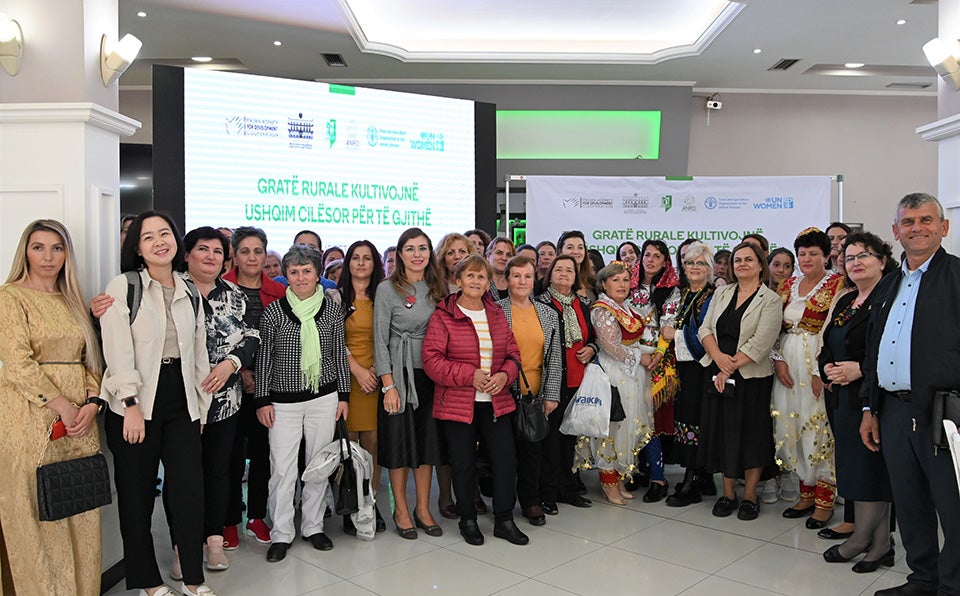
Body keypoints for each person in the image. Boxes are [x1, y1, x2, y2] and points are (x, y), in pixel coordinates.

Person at [99, 211, 214, 596]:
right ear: (138, 248)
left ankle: (194, 581)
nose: (159, 241)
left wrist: (200, 406)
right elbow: (117, 350)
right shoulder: (124, 286)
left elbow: (199, 354)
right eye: (148, 237)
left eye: (164, 233)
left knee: (188, 492)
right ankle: (148, 581)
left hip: (180, 398)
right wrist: (130, 403)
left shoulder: (188, 288)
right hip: (134, 402)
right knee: (136, 495)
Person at [861, 193, 960, 596]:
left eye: (926, 219)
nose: (917, 227)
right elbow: (873, 349)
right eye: (908, 221)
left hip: (943, 413)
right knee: (910, 501)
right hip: (893, 410)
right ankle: (923, 579)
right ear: (895, 231)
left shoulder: (956, 277)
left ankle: (953, 586)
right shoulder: (888, 283)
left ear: (943, 226)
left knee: (952, 508)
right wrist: (869, 406)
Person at [0, 219, 104, 595]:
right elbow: (17, 360)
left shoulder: (72, 300)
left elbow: (91, 361)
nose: (48, 256)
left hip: (79, 418)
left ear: (66, 254)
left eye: (57, 248)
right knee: (37, 510)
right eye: (38, 247)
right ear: (25, 252)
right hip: (28, 416)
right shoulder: (10, 296)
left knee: (78, 505)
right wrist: (61, 404)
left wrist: (92, 403)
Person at [422, 255, 529, 546]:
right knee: (463, 463)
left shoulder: (494, 313)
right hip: (459, 403)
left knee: (505, 461)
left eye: (481, 277)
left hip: (497, 400)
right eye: (469, 276)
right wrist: (469, 375)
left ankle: (504, 519)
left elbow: (513, 355)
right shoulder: (443, 315)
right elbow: (432, 361)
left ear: (488, 283)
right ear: (458, 280)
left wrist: (505, 377)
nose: (475, 281)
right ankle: (468, 518)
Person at [171, 227, 259, 572]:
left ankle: (213, 540)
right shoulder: (170, 290)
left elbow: (251, 335)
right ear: (188, 254)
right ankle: (182, 545)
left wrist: (231, 363)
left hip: (225, 400)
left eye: (218, 251)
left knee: (219, 472)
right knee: (182, 473)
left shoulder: (236, 294)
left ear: (226, 258)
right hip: (179, 400)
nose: (210, 256)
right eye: (202, 249)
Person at [255, 244, 350, 562]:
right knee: (282, 470)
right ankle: (281, 533)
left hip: (324, 398)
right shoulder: (274, 312)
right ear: (286, 275)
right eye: (293, 272)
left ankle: (312, 526)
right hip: (282, 404)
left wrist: (344, 396)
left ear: (317, 274)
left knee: (318, 466)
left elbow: (339, 355)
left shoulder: (333, 310)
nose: (300, 277)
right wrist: (263, 400)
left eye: (306, 271)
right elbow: (265, 359)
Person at [819, 232, 897, 573]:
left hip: (874, 396)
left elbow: (894, 350)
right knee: (855, 466)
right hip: (841, 396)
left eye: (864, 255)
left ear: (882, 260)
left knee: (871, 470)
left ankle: (862, 538)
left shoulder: (891, 297)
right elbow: (827, 344)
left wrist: (860, 370)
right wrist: (826, 368)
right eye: (849, 258)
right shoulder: (846, 299)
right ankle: (881, 545)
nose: (856, 262)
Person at [697, 241, 782, 521]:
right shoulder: (721, 292)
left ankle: (749, 496)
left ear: (760, 265)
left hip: (750, 378)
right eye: (737, 260)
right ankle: (728, 493)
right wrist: (719, 358)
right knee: (723, 434)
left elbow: (761, 343)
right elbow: (705, 328)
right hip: (719, 371)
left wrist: (727, 367)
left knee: (752, 436)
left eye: (748, 259)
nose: (742, 264)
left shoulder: (770, 299)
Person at [374, 227, 448, 539]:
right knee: (399, 444)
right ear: (400, 254)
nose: (417, 254)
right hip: (399, 377)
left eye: (422, 248)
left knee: (427, 444)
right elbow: (379, 338)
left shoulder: (438, 287)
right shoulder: (387, 289)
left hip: (431, 375)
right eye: (410, 249)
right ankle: (401, 508)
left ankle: (422, 507)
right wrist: (388, 385)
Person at [773, 228, 845, 529]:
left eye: (813, 253)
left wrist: (819, 371)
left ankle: (825, 499)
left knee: (819, 427)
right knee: (791, 424)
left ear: (826, 255)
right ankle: (805, 491)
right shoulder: (788, 285)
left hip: (816, 362)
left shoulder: (838, 284)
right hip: (787, 363)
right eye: (802, 254)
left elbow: (832, 329)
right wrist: (778, 360)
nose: (807, 259)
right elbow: (775, 325)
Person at [222, 226, 286, 547]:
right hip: (228, 386)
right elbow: (215, 338)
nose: (252, 257)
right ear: (234, 254)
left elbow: (283, 341)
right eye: (245, 251)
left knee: (264, 454)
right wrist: (243, 371)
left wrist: (261, 376)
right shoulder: (221, 288)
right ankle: (230, 519)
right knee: (230, 455)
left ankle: (257, 517)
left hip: (268, 386)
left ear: (265, 253)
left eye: (258, 251)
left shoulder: (278, 291)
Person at [575, 261, 657, 505]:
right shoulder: (602, 309)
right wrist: (640, 357)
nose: (622, 285)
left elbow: (631, 340)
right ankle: (608, 482)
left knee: (627, 427)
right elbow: (611, 347)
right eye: (615, 280)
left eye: (625, 280)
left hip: (631, 373)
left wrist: (650, 353)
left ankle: (618, 478)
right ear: (603, 284)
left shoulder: (625, 306)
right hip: (614, 373)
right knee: (611, 428)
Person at [496, 255, 562, 526]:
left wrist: (552, 394)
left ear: (535, 279)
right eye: (516, 276)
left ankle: (531, 502)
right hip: (502, 393)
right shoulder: (495, 311)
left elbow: (554, 357)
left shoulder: (547, 313)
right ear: (507, 279)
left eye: (527, 276)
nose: (522, 281)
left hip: (534, 395)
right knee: (503, 455)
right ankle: (502, 505)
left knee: (532, 454)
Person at [333, 240, 387, 533]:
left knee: (373, 445)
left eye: (367, 258)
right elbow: (330, 339)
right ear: (348, 263)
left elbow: (389, 335)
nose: (361, 263)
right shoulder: (334, 297)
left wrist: (376, 371)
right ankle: (349, 505)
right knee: (348, 445)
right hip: (347, 377)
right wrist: (358, 370)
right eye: (356, 258)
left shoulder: (384, 296)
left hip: (377, 378)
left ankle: (371, 502)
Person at [534, 254, 596, 511]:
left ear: (576, 275)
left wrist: (592, 347)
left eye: (569, 270)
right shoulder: (540, 303)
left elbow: (594, 337)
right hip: (551, 382)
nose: (563, 273)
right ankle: (547, 494)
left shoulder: (582, 303)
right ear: (549, 274)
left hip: (578, 382)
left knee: (571, 438)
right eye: (558, 269)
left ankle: (568, 488)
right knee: (550, 441)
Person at [624, 239, 680, 502]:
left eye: (657, 256)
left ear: (665, 261)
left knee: (651, 418)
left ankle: (658, 477)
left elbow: (669, 325)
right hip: (629, 357)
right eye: (647, 254)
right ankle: (635, 470)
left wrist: (658, 354)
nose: (651, 260)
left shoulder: (671, 290)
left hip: (657, 360)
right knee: (630, 415)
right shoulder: (626, 284)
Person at [665, 242, 718, 507]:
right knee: (688, 419)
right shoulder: (687, 294)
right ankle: (700, 476)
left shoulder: (713, 296)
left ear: (710, 267)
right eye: (689, 263)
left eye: (700, 263)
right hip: (686, 368)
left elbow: (706, 335)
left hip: (703, 366)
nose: (694, 268)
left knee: (696, 419)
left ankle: (692, 480)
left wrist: (673, 336)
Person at [433, 232, 478, 518]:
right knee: (444, 440)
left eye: (463, 251)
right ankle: (446, 496)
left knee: (470, 438)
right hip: (441, 369)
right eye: (451, 252)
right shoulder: (434, 288)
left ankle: (470, 492)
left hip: (472, 373)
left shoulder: (478, 285)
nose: (457, 256)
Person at [558, 230, 597, 302]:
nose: (576, 252)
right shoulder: (554, 280)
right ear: (560, 251)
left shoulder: (592, 281)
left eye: (580, 247)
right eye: (570, 247)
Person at [486, 236, 515, 301]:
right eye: (499, 253)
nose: (504, 258)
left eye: (508, 255)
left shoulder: (516, 283)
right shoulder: (481, 282)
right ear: (488, 256)